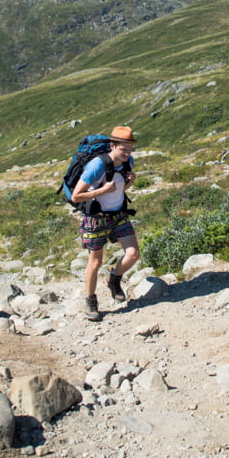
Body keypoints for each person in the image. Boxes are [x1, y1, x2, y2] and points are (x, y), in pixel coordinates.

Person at [70, 126, 139, 321]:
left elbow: (118, 188)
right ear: (112, 145)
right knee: (96, 261)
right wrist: (103, 191)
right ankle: (91, 300)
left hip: (118, 215)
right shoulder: (97, 165)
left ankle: (114, 280)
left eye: (130, 149)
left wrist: (129, 183)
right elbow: (76, 196)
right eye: (123, 149)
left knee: (133, 254)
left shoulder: (128, 162)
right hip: (95, 218)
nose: (127, 153)